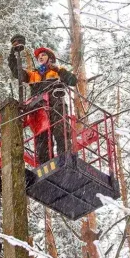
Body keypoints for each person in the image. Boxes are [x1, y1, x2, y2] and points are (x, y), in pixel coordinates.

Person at [8, 34, 78, 164]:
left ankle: (65, 159)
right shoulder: (33, 75)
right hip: (38, 108)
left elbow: (73, 81)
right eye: (39, 56)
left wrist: (58, 70)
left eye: (43, 55)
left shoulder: (58, 71)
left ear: (50, 58)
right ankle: (44, 165)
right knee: (41, 139)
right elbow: (16, 71)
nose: (40, 57)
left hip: (55, 104)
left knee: (60, 131)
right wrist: (14, 53)